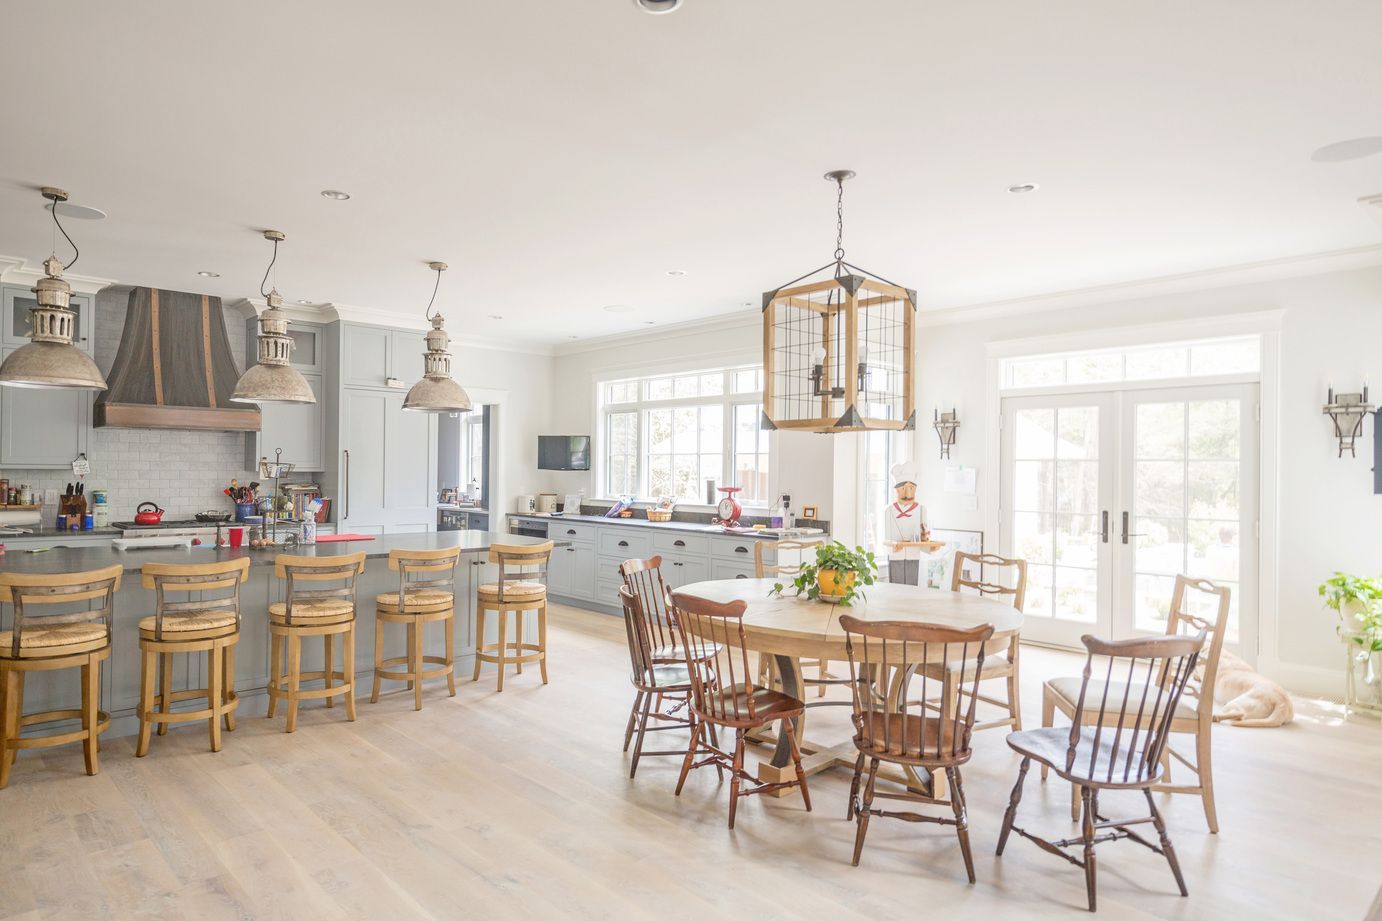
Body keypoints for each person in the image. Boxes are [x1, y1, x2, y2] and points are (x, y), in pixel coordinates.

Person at [885, 462, 929, 584]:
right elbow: (886, 539)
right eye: (904, 489)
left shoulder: (921, 510)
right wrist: (894, 545)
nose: (908, 494)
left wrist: (926, 539)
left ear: (915, 490)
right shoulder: (889, 511)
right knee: (896, 588)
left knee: (912, 588)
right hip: (895, 556)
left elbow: (924, 536)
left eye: (911, 488)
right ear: (897, 490)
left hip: (913, 555)